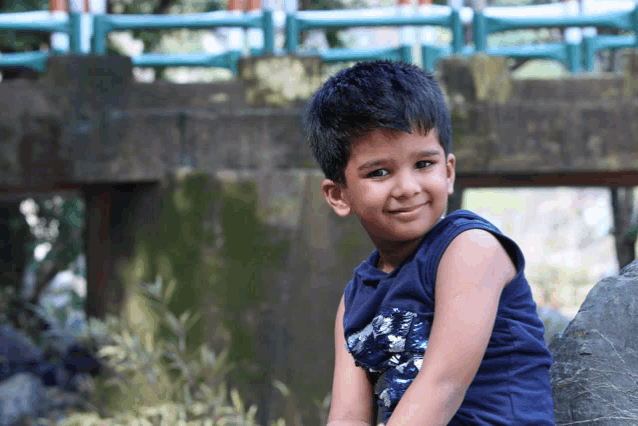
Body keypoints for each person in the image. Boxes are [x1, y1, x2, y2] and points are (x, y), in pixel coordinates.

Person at [302, 60, 554, 426]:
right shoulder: (356, 297)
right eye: (380, 172)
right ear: (339, 195)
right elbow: (348, 416)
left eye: (423, 164)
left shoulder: (470, 249)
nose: (407, 187)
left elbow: (442, 386)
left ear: (448, 172)